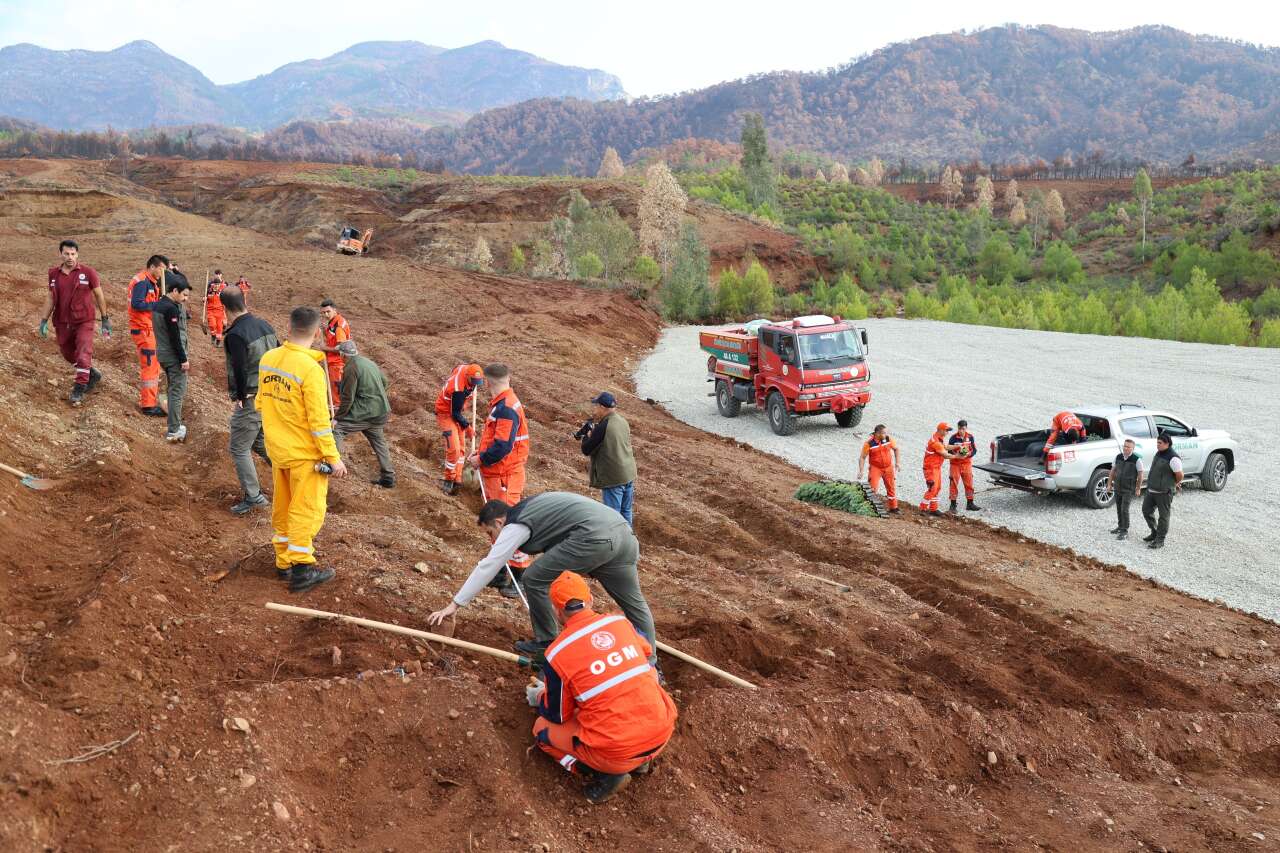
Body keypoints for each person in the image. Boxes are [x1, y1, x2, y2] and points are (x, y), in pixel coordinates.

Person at [427, 492, 658, 664]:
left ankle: (547, 644)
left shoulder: (516, 523)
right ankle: (650, 663)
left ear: (498, 522)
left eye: (490, 533)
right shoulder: (536, 509)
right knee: (634, 603)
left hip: (594, 536)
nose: (493, 539)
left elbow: (489, 564)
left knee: (534, 577)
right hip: (624, 534)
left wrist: (454, 605)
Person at [524, 571, 677, 805]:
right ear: (591, 599)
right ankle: (640, 763)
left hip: (617, 752)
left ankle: (604, 775)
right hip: (662, 732)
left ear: (556, 611)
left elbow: (557, 715)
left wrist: (540, 696)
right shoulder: (620, 622)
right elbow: (647, 653)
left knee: (541, 730)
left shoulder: (557, 653)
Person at [256, 306, 348, 591]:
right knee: (306, 510)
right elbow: (319, 423)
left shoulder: (269, 359)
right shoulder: (309, 370)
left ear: (289, 327)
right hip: (304, 455)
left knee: (283, 506)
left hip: (278, 450)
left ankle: (283, 561)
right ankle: (301, 570)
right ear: (317, 333)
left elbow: (261, 402)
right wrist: (333, 457)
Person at [221, 286, 277, 515]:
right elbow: (280, 354)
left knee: (239, 447)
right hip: (271, 395)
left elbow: (240, 369)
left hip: (253, 396)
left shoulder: (236, 334)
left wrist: (242, 396)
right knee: (260, 442)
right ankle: (293, 475)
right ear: (244, 300)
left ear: (225, 308)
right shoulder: (265, 325)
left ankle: (254, 498)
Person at [39, 239, 108, 406]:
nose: (70, 257)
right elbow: (51, 297)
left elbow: (99, 295)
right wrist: (43, 320)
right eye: (66, 254)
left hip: (84, 320)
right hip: (62, 321)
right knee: (68, 353)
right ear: (61, 254)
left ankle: (79, 388)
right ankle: (91, 373)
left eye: (73, 254)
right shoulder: (53, 274)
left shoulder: (88, 272)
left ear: (77, 255)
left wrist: (105, 319)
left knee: (83, 352)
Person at [333, 340, 394, 488]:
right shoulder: (369, 362)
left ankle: (333, 466)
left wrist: (337, 417)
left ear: (342, 355)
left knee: (337, 429)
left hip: (365, 412)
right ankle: (388, 476)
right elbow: (385, 382)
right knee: (379, 441)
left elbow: (348, 398)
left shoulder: (350, 368)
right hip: (381, 411)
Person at [467, 363, 529, 505]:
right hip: (501, 474)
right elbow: (498, 439)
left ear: (487, 383)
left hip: (504, 477)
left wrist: (481, 459)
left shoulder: (506, 409)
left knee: (503, 516)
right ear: (508, 379)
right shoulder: (505, 404)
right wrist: (480, 452)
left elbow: (503, 446)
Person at [578, 392, 637, 526]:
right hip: (628, 473)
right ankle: (628, 537)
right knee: (626, 511)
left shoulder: (603, 426)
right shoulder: (622, 421)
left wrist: (587, 436)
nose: (594, 409)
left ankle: (615, 538)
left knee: (613, 515)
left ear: (602, 407)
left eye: (596, 406)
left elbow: (586, 450)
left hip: (613, 478)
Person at [151, 274, 192, 442]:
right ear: (175, 291)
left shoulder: (159, 304)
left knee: (172, 388)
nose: (185, 299)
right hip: (173, 356)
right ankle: (174, 430)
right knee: (176, 392)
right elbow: (175, 338)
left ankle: (173, 425)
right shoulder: (170, 309)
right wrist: (183, 359)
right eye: (184, 295)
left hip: (163, 354)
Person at [434, 362, 484, 496]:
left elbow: (457, 367)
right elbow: (455, 413)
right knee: (454, 449)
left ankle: (458, 478)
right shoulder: (458, 389)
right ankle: (448, 479)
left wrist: (472, 386)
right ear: (467, 376)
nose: (475, 385)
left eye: (477, 382)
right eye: (473, 382)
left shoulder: (465, 369)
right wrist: (468, 427)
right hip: (445, 413)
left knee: (462, 447)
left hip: (456, 412)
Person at [127, 255, 168, 416]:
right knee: (150, 367)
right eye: (162, 268)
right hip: (143, 330)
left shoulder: (150, 282)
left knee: (153, 366)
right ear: (152, 267)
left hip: (148, 329)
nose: (163, 272)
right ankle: (148, 406)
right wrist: (158, 304)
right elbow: (137, 304)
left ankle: (150, 401)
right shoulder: (143, 282)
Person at [1141, 433, 1183, 550]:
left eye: (1160, 443)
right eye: (1157, 442)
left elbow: (1180, 475)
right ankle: (1154, 532)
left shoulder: (1173, 458)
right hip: (1151, 490)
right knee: (1146, 510)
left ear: (1167, 444)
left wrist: (1173, 484)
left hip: (1164, 493)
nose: (1157, 445)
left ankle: (1160, 540)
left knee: (1163, 517)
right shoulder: (1159, 453)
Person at [857, 424, 900, 512]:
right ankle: (870, 507)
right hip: (875, 468)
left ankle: (894, 507)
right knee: (872, 488)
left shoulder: (888, 439)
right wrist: (861, 471)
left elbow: (896, 449)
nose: (886, 434)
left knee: (891, 488)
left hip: (889, 468)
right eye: (884, 433)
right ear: (877, 433)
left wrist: (897, 463)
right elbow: (862, 457)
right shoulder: (869, 443)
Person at [1107, 438, 1144, 540]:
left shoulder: (1137, 460)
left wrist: (1138, 488)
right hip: (1117, 487)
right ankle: (1120, 527)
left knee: (1124, 509)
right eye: (1125, 446)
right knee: (1119, 508)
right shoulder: (1118, 457)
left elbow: (1141, 475)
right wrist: (1109, 484)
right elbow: (1112, 471)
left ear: (1133, 448)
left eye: (1128, 447)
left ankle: (1124, 530)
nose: (1126, 448)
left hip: (1128, 489)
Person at [920, 422, 960, 514]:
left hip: (936, 468)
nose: (948, 432)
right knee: (932, 488)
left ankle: (933, 509)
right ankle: (923, 508)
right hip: (930, 468)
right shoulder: (936, 442)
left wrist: (958, 446)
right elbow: (945, 455)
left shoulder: (939, 438)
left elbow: (946, 447)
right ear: (940, 430)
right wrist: (957, 456)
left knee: (937, 488)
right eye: (946, 430)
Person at [317, 299, 350, 405]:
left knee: (336, 393)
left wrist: (324, 348)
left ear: (335, 310)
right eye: (323, 313)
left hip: (337, 364)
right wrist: (325, 331)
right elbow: (333, 339)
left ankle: (337, 412)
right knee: (335, 391)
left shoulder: (338, 326)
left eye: (328, 312)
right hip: (334, 362)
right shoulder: (333, 322)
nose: (326, 315)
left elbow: (342, 348)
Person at [947, 419, 981, 512]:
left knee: (969, 483)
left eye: (963, 429)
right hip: (955, 464)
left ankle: (970, 503)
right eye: (959, 429)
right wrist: (957, 454)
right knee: (953, 483)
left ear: (966, 428)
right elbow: (948, 451)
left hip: (966, 463)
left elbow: (974, 450)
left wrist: (968, 454)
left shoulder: (970, 437)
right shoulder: (953, 438)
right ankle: (953, 505)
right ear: (957, 428)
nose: (961, 431)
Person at [204, 270, 228, 347]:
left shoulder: (222, 292)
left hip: (220, 312)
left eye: (218, 284)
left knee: (219, 327)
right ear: (213, 284)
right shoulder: (209, 291)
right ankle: (213, 336)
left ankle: (218, 342)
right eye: (215, 284)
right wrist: (204, 299)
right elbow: (205, 299)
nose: (217, 286)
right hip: (211, 311)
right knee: (212, 325)